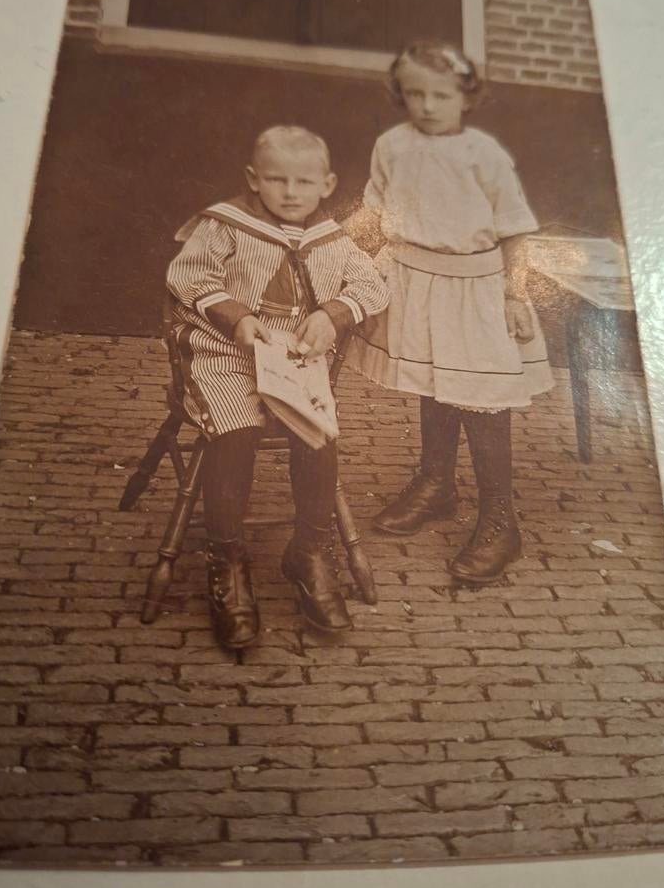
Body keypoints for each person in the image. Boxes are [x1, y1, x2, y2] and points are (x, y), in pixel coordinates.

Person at [166, 126, 389, 648]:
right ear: (253, 179)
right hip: (224, 355)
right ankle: (228, 562)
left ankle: (309, 552)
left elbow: (372, 283)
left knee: (318, 434)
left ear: (328, 183)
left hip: (293, 363)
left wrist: (335, 314)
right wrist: (237, 318)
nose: (291, 192)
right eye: (276, 179)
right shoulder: (226, 226)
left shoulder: (332, 238)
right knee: (236, 433)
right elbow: (188, 275)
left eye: (304, 181)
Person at [344, 41, 554, 585]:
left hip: (476, 291)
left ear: (466, 95)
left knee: (481, 398)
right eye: (415, 93)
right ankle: (436, 485)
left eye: (441, 94)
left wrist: (514, 295)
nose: (427, 105)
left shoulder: (484, 156)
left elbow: (515, 233)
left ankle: (500, 522)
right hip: (413, 280)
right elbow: (373, 213)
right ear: (400, 95)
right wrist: (330, 252)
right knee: (434, 384)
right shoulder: (392, 145)